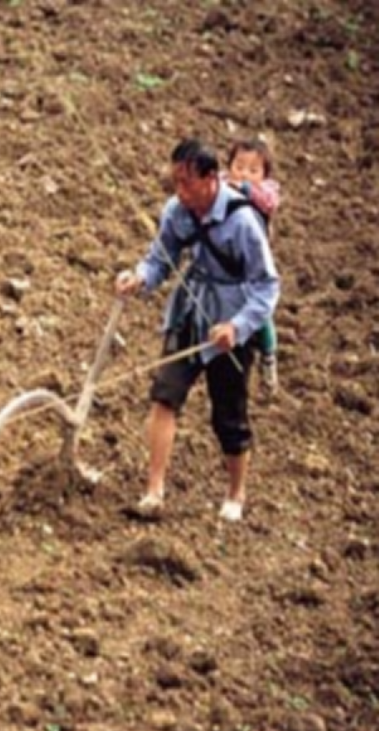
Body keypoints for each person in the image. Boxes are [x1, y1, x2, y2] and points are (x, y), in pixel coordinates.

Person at [115, 137, 280, 522]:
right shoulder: (177, 211)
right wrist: (138, 278)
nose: (179, 191)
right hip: (191, 314)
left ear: (210, 180)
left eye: (186, 182)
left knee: (229, 414)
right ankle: (154, 491)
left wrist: (237, 328)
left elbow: (266, 285)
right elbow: (161, 258)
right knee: (164, 395)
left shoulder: (242, 221)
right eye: (176, 182)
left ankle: (236, 494)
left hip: (230, 322)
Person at [224, 138, 281, 395]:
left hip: (253, 265)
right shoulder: (222, 185)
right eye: (239, 166)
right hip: (226, 263)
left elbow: (268, 202)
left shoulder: (265, 193)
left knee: (260, 313)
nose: (244, 174)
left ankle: (268, 356)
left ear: (265, 174)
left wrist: (245, 188)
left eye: (253, 170)